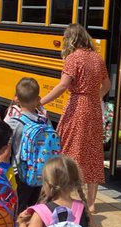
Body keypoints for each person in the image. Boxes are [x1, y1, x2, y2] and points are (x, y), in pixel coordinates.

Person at [40, 24, 110, 215]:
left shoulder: (73, 58)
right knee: (93, 152)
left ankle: (66, 196)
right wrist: (96, 96)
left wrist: (41, 102)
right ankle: (92, 203)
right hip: (94, 107)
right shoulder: (97, 58)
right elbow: (107, 84)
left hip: (77, 106)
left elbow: (63, 85)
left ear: (70, 39)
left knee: (71, 149)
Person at [6, 77, 61, 212]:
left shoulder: (14, 123)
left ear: (16, 99)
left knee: (19, 209)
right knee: (36, 209)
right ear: (38, 99)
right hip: (42, 173)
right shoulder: (44, 122)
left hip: (21, 173)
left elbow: (6, 150)